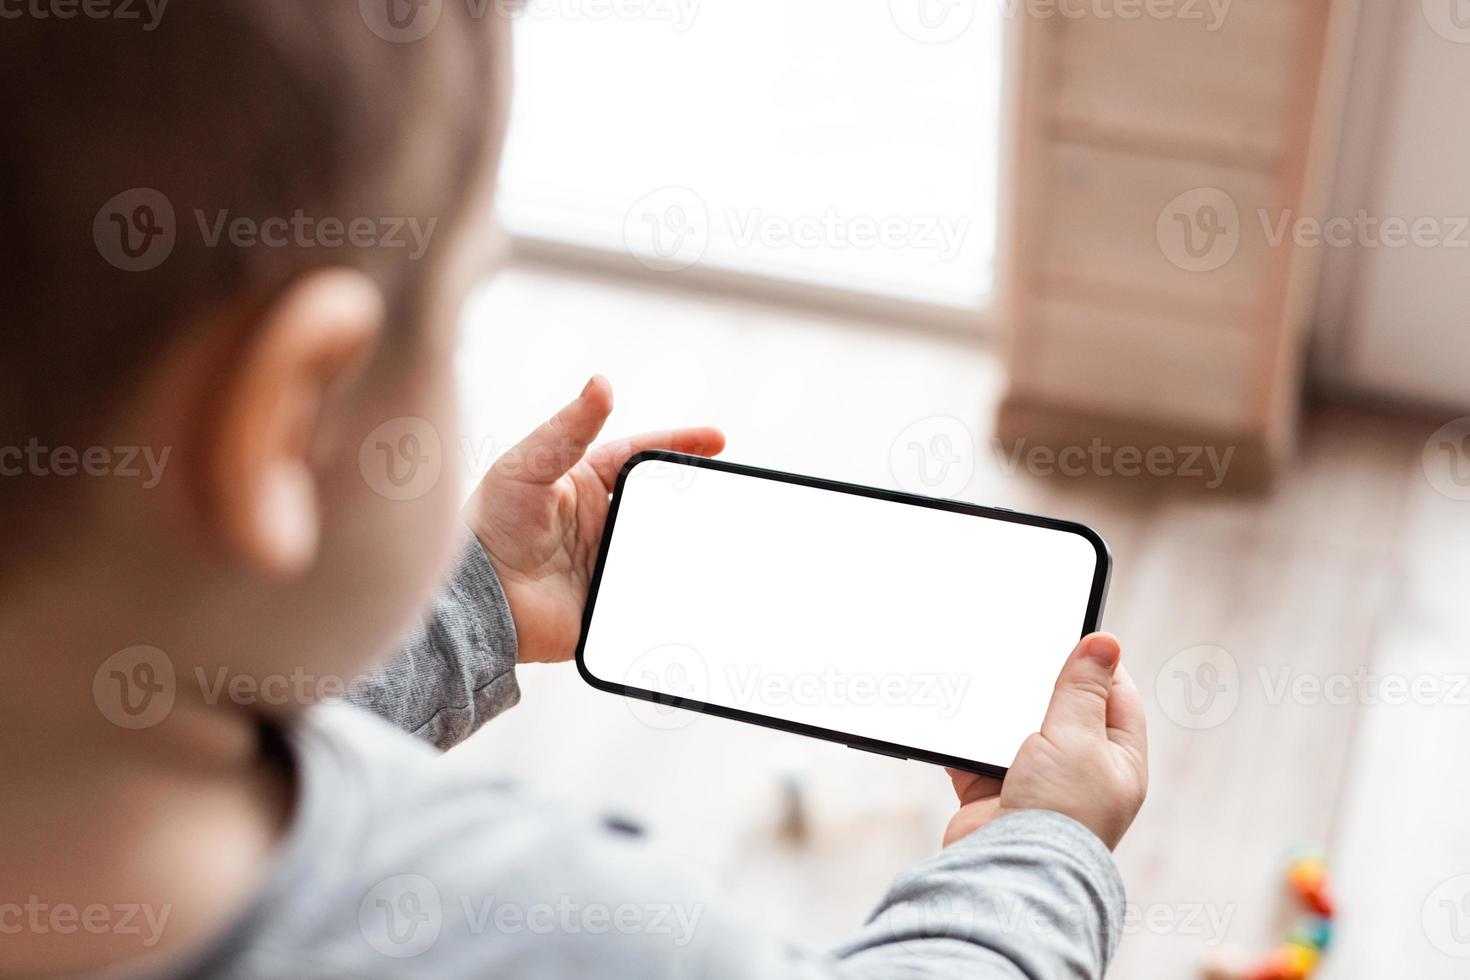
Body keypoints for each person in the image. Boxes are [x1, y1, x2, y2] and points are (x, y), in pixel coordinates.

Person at [0, 3, 1148, 976]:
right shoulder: (561, 926)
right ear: (282, 420)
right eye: (455, 315)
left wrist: (473, 604)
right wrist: (1040, 854)